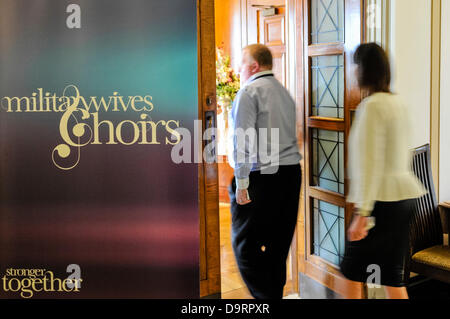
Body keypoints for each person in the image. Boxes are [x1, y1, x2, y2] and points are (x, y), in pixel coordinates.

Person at [339, 43, 427, 299]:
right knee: (390, 276)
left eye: (355, 66)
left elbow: (370, 163)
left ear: (365, 70)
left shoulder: (372, 106)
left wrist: (362, 214)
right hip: (404, 200)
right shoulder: (397, 103)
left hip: (382, 203)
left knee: (352, 272)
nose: (352, 72)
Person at [227, 44, 302, 299]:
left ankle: (266, 299)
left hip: (261, 178)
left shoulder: (249, 92)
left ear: (253, 66)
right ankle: (273, 296)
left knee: (244, 246)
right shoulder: (284, 93)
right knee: (277, 246)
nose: (238, 69)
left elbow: (242, 141)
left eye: (241, 63)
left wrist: (242, 183)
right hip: (291, 175)